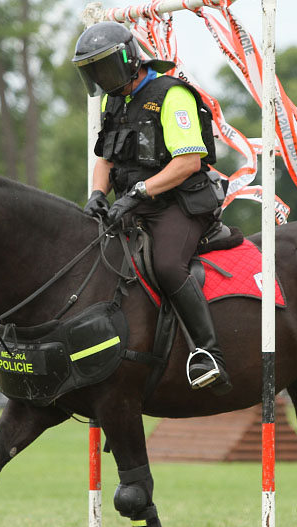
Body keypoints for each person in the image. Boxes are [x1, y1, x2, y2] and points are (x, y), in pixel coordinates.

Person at [72, 21, 231, 394]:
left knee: (167, 265)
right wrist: (97, 193)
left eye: (104, 66)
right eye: (92, 70)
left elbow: (188, 162)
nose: (100, 76)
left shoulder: (172, 95)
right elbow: (106, 161)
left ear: (130, 59)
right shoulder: (116, 101)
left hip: (182, 205)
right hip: (135, 206)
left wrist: (138, 192)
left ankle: (209, 355)